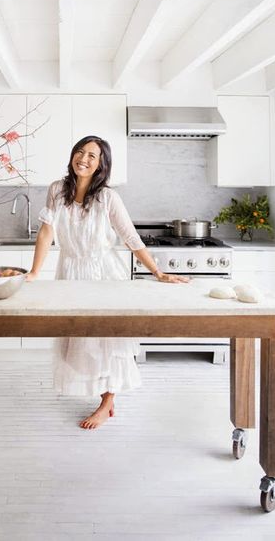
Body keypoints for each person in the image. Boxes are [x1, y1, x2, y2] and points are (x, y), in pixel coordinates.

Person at [26, 136, 189, 430]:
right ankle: (103, 397)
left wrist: (158, 272)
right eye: (80, 151)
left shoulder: (108, 198)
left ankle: (107, 402)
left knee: (106, 340)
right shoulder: (56, 190)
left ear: (101, 164)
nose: (84, 158)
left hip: (104, 275)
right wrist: (35, 272)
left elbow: (130, 237)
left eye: (92, 155)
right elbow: (46, 232)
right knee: (78, 340)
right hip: (70, 272)